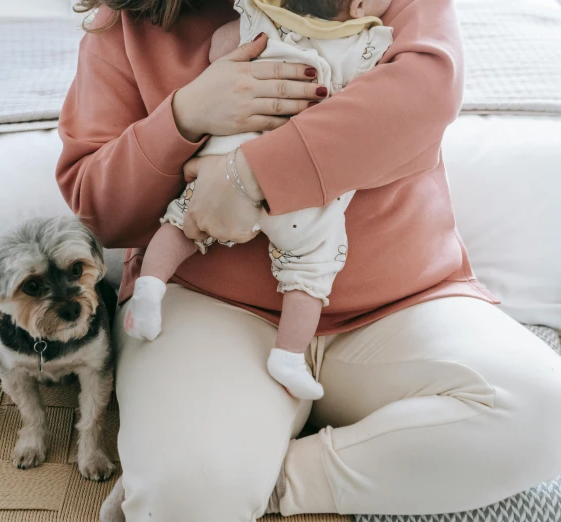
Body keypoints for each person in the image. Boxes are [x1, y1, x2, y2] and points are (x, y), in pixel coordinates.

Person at [55, 0, 561, 520]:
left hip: (403, 302)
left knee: (546, 413)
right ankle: (202, 481)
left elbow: (426, 93)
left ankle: (269, 483)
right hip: (213, 306)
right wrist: (185, 114)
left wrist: (250, 174)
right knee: (188, 491)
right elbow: (100, 210)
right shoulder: (127, 26)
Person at [121, 0, 393, 401]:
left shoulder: (261, 21)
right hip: (305, 197)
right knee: (308, 273)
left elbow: (220, 47)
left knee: (182, 222)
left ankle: (149, 287)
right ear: (357, 7)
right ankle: (288, 355)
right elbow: (378, 106)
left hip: (226, 162)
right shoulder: (362, 44)